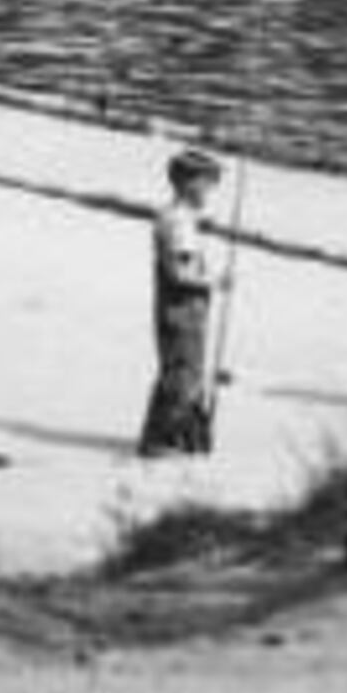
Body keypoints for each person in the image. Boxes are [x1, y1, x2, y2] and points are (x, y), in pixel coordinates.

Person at [139, 144, 226, 458]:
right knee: (182, 376)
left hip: (180, 309)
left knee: (177, 373)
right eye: (206, 183)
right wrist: (216, 281)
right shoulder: (178, 222)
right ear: (188, 183)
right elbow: (180, 272)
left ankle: (164, 438)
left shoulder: (177, 217)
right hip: (181, 310)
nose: (209, 190)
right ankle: (162, 442)